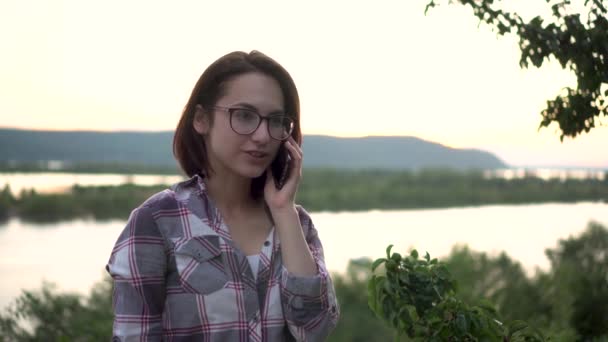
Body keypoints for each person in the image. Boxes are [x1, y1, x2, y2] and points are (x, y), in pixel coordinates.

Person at [106, 50, 339, 341]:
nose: (263, 136)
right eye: (244, 116)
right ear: (201, 119)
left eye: (276, 121)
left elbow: (314, 331)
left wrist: (283, 211)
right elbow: (134, 335)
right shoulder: (157, 221)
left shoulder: (297, 225)